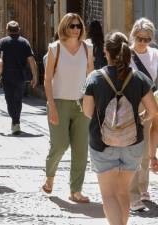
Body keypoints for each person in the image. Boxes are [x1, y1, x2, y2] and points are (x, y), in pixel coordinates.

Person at [83, 31, 158, 225]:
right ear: (127, 53)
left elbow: (87, 112)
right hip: (133, 143)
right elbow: (153, 110)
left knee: (109, 195)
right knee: (123, 192)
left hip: (102, 143)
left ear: (106, 52)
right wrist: (141, 118)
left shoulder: (95, 78)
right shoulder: (139, 78)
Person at [42, 13, 94, 203]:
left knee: (81, 149)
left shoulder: (87, 48)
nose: (75, 29)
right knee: (60, 144)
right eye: (72, 26)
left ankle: (76, 190)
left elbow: (91, 77)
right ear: (64, 27)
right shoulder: (55, 48)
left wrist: (92, 102)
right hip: (59, 102)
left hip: (82, 103)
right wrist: (51, 105)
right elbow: (47, 80)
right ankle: (50, 176)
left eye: (78, 26)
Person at [128, 18, 158, 212]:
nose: (144, 43)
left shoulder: (155, 54)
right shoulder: (126, 54)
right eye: (140, 38)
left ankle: (143, 188)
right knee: (132, 149)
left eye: (147, 39)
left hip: (150, 101)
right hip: (129, 103)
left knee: (147, 148)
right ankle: (132, 195)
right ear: (133, 36)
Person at [0, 20, 38, 135]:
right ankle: (16, 121)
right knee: (18, 100)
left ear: (7, 30)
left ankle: (15, 121)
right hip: (20, 76)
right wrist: (35, 76)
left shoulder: (3, 42)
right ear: (19, 29)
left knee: (9, 99)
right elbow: (31, 60)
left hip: (7, 76)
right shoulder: (24, 42)